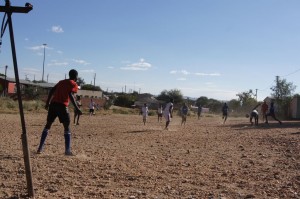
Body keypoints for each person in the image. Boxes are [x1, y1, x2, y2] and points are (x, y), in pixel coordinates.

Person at [37, 69, 82, 156]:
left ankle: (40, 148)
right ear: (76, 77)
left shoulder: (61, 82)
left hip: (53, 105)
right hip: (62, 106)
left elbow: (51, 90)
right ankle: (67, 151)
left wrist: (47, 103)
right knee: (66, 127)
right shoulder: (73, 84)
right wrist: (77, 108)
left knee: (48, 125)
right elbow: (70, 95)